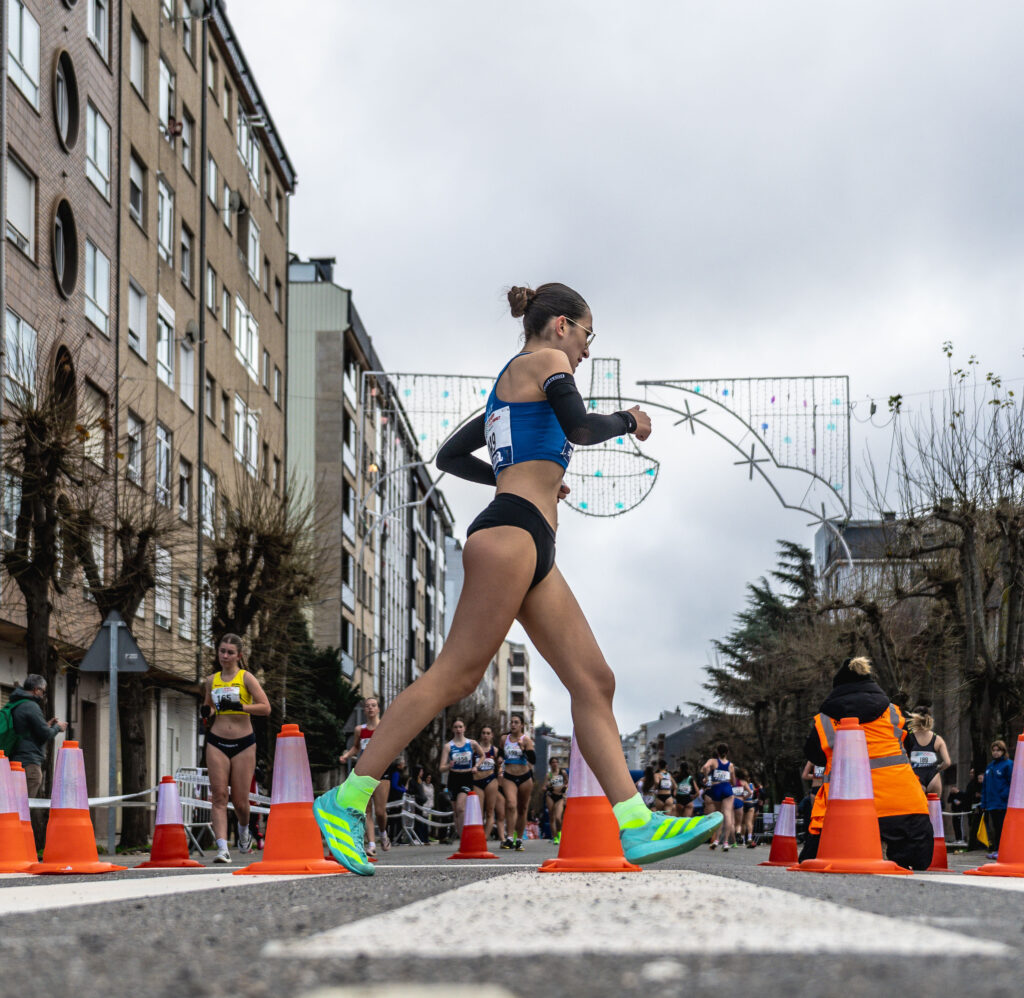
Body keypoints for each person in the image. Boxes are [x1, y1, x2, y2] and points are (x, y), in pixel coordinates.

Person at [312, 282, 722, 875]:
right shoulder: (548, 360)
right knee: (455, 675)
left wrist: (526, 474)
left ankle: (636, 823)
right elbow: (580, 428)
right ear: (562, 325)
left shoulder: (510, 383)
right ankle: (347, 798)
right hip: (511, 534)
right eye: (587, 335)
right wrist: (630, 420)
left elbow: (451, 457)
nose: (586, 350)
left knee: (595, 681)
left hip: (530, 539)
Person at [800, 656, 931, 870]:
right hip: (904, 807)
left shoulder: (824, 720)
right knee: (918, 862)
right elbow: (911, 746)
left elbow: (815, 756)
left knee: (813, 860)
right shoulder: (893, 712)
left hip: (845, 811)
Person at [203, 634, 270, 864]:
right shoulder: (211, 680)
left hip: (243, 743)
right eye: (222, 651)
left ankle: (243, 831)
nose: (225, 656)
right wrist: (207, 712)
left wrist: (241, 706)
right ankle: (222, 848)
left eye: (230, 652)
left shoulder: (246, 677)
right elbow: (210, 707)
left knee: (241, 802)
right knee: (219, 796)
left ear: (239, 655)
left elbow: (265, 708)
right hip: (217, 741)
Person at [5, 675, 68, 850]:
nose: (43, 695)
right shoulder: (31, 706)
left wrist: (45, 725)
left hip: (15, 760)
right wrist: (57, 728)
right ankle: (15, 845)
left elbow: (27, 731)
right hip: (29, 762)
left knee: (15, 804)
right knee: (23, 807)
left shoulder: (16, 704)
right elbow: (44, 735)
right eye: (43, 692)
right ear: (36, 690)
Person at [338, 696, 391, 856]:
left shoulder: (385, 727)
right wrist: (346, 756)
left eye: (373, 705)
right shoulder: (359, 730)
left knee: (380, 811)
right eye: (367, 706)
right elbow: (356, 747)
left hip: (381, 771)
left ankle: (383, 833)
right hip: (364, 771)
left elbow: (393, 745)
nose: (370, 708)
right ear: (364, 710)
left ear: (378, 709)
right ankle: (372, 844)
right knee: (366, 810)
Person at [439, 718, 483, 835]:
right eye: (456, 727)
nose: (458, 729)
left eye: (460, 727)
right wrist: (448, 766)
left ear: (464, 729)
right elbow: (441, 768)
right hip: (454, 778)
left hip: (466, 777)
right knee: (456, 811)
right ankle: (461, 836)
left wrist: (476, 766)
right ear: (453, 729)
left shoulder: (472, 743)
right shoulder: (448, 746)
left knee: (460, 808)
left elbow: (482, 755)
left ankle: (464, 835)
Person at [500, 712, 535, 850]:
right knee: (511, 804)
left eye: (516, 722)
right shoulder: (504, 739)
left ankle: (519, 839)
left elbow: (533, 760)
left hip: (525, 777)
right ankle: (509, 838)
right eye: (511, 722)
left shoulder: (526, 740)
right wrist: (499, 759)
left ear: (521, 725)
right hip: (509, 776)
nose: (513, 725)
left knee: (523, 808)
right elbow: (500, 753)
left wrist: (523, 749)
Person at [904, 705, 951, 797]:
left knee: (917, 806)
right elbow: (947, 762)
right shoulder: (937, 738)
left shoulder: (908, 737)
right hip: (933, 776)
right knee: (934, 805)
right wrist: (937, 768)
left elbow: (904, 760)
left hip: (915, 776)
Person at [472, 725, 506, 843]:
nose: (485, 735)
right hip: (477, 781)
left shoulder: (494, 750)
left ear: (492, 736)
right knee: (479, 813)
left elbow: (500, 766)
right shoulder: (475, 749)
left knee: (490, 811)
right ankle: (478, 836)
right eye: (483, 733)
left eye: (488, 733)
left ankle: (484, 839)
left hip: (491, 780)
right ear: (481, 735)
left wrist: (500, 773)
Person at [981, 740, 1013, 860]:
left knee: (1002, 828)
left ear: (1003, 751)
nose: (995, 753)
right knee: (995, 828)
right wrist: (984, 802)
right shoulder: (990, 766)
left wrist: (1004, 795)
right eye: (993, 750)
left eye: (998, 750)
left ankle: (1003, 851)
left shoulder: (1008, 764)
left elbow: (1012, 783)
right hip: (991, 804)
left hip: (1002, 803)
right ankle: (996, 850)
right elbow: (985, 786)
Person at [701, 744, 737, 850]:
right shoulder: (730, 765)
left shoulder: (713, 761)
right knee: (728, 814)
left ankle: (716, 840)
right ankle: (725, 842)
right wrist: (729, 781)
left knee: (719, 814)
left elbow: (705, 767)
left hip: (716, 788)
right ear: (727, 752)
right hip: (726, 787)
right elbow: (734, 782)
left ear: (717, 752)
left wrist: (706, 778)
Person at [543, 754, 569, 843]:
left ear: (558, 763)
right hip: (550, 796)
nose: (555, 764)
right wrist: (548, 786)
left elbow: (568, 783)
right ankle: (555, 838)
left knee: (558, 817)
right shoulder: (549, 775)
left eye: (556, 762)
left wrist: (565, 787)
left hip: (560, 797)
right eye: (553, 762)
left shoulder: (562, 772)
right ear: (550, 764)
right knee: (552, 817)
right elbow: (543, 787)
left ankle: (559, 833)